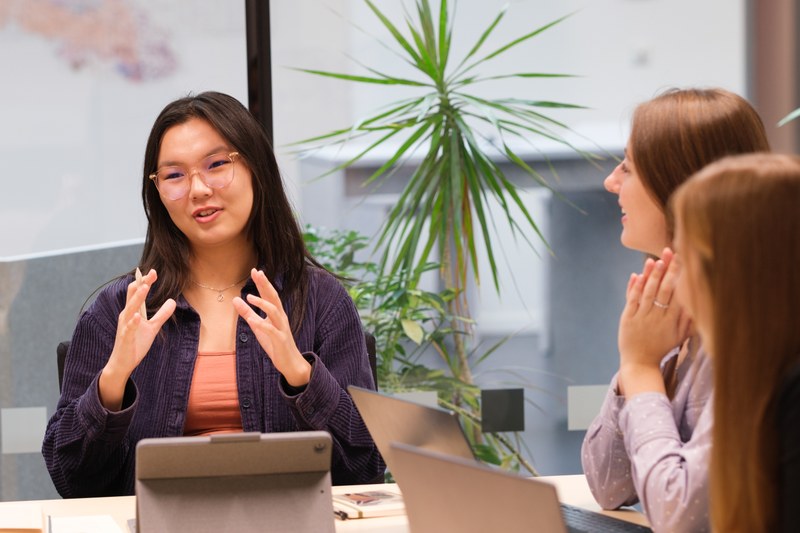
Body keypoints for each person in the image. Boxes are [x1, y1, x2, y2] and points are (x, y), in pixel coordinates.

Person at [42, 91, 385, 497]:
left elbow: (365, 469)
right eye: (174, 176)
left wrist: (299, 373)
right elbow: (72, 480)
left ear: (256, 167)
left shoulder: (321, 301)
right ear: (157, 193)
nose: (199, 189)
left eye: (217, 164)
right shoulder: (120, 309)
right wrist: (114, 379)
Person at [580, 87, 770, 532]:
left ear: (680, 184)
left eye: (628, 166)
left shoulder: (756, 331)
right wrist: (643, 366)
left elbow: (683, 517)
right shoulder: (673, 314)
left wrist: (641, 367)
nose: (611, 181)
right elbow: (608, 485)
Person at [670, 153, 800, 533]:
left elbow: (675, 511)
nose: (675, 285)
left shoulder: (792, 396)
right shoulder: (763, 377)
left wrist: (638, 368)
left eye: (681, 261)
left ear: (726, 272)